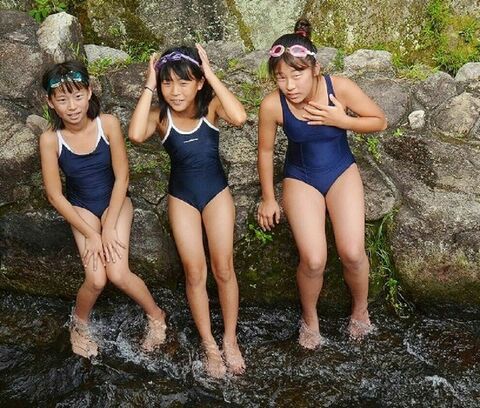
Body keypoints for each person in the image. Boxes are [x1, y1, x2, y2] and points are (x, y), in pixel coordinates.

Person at [257, 19, 387, 348]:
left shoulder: (338, 87)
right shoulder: (272, 105)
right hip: (301, 177)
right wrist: (268, 198)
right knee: (314, 260)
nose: (289, 85)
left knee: (353, 252)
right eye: (281, 77)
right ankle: (310, 318)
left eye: (296, 75)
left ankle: (360, 310)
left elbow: (379, 121)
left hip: (341, 171)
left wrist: (342, 120)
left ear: (315, 68)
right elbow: (265, 151)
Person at [128, 45, 247, 377]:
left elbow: (239, 117)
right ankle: (209, 344)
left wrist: (211, 75)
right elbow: (135, 135)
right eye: (167, 83)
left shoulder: (211, 107)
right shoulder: (160, 116)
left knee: (224, 269)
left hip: (216, 194)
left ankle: (230, 339)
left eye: (184, 82)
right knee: (195, 273)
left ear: (198, 83)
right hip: (182, 199)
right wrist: (149, 83)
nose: (175, 91)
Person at [39, 61, 167, 359]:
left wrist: (108, 227)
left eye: (78, 96)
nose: (72, 106)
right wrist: (92, 234)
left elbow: (122, 176)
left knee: (118, 273)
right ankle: (79, 324)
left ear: (89, 92)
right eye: (62, 99)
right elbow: (56, 196)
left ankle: (156, 315)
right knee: (97, 279)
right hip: (81, 208)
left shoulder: (107, 124)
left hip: (115, 202)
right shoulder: (50, 139)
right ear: (51, 102)